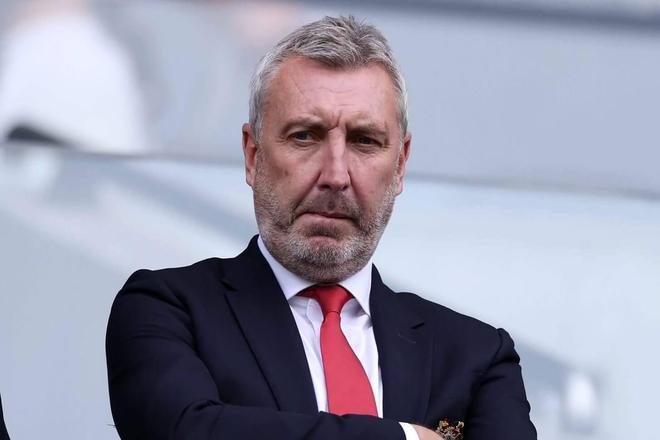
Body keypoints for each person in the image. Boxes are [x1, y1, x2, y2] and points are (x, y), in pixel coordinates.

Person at [106, 16, 536, 440]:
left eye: (364, 141)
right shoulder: (168, 310)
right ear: (253, 156)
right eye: (305, 136)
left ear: (400, 165)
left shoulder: (476, 355)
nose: (335, 175)